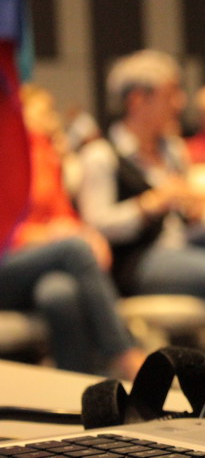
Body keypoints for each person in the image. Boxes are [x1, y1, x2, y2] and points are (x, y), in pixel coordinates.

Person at [78, 50, 205, 312]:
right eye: (170, 94)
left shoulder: (173, 149)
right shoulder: (100, 155)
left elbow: (185, 218)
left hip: (184, 242)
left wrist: (192, 208)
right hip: (140, 258)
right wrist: (149, 205)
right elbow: (95, 226)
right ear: (137, 100)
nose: (180, 103)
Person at [0, 84, 145, 378]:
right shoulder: (8, 155)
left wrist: (85, 232)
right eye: (41, 112)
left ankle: (78, 390)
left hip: (35, 266)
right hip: (8, 265)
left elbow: (63, 214)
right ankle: (124, 353)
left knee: (59, 293)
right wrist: (48, 235)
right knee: (74, 249)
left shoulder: (44, 154)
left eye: (51, 112)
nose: (51, 119)